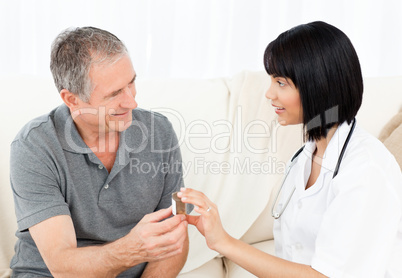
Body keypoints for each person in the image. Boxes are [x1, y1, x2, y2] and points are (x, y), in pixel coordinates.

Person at [178, 21, 402, 277]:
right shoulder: (306, 156)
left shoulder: (366, 171)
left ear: (318, 86)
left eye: (281, 83)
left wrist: (223, 242)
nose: (269, 94)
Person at [10, 27, 188, 277]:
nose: (132, 102)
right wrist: (131, 249)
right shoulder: (34, 146)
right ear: (71, 99)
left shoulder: (160, 131)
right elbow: (62, 266)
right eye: (115, 93)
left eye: (131, 83)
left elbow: (175, 237)